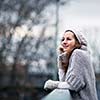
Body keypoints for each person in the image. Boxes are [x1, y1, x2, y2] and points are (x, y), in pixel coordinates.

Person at [44, 29, 98, 100]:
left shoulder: (78, 53)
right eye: (63, 39)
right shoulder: (75, 55)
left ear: (77, 42)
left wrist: (53, 84)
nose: (64, 42)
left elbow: (73, 86)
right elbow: (63, 81)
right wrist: (62, 59)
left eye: (68, 39)